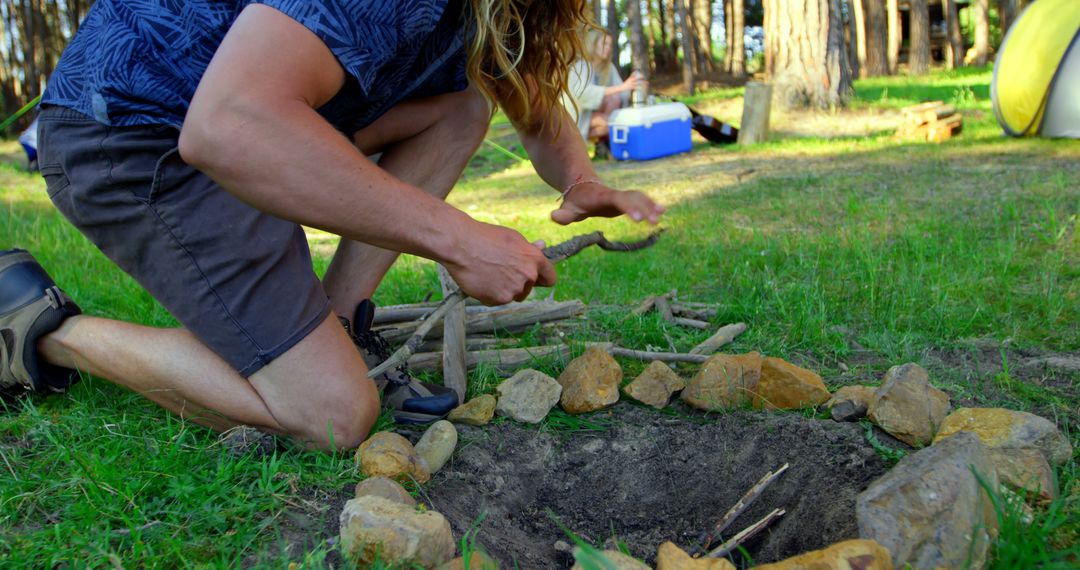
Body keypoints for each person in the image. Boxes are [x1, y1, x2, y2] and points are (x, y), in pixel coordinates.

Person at [0, 0, 664, 451]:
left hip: (222, 122)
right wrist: (460, 239)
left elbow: (526, 95)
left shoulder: (489, 11)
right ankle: (41, 327)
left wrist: (581, 181)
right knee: (333, 417)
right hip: (130, 136)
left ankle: (340, 325)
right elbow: (227, 124)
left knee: (461, 108)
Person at [562, 28, 648, 158]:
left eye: (609, 44)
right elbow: (583, 94)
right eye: (603, 44)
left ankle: (602, 146)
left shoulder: (608, 68)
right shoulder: (581, 66)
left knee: (614, 104)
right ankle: (605, 143)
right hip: (576, 117)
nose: (607, 48)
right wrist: (622, 87)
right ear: (593, 44)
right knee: (614, 124)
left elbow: (622, 94)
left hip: (594, 115)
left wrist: (636, 87)